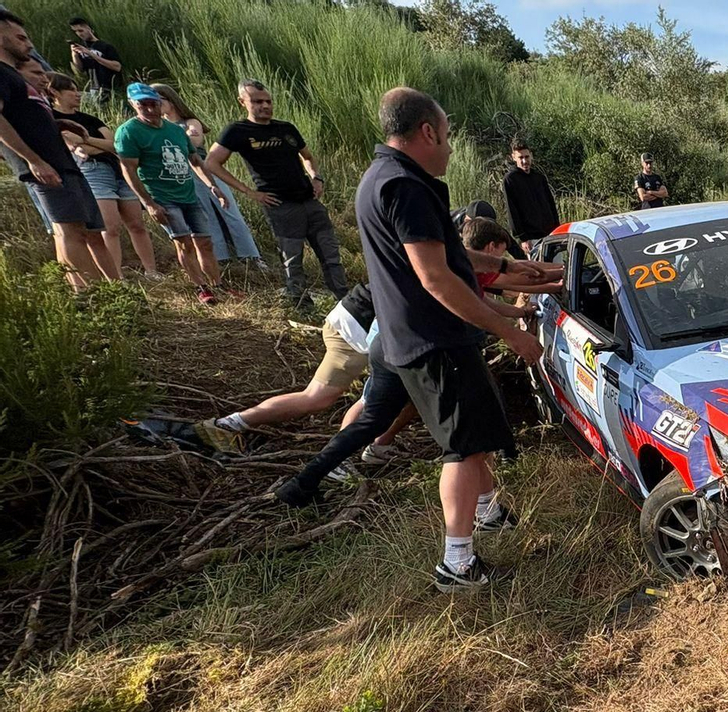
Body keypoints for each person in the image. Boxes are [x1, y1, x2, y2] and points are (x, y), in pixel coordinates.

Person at [353, 86, 560, 591]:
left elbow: (452, 256)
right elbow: (437, 278)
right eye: (446, 136)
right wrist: (508, 329)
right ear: (427, 131)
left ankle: (487, 512)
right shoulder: (406, 186)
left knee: (471, 434)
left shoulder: (383, 177)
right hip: (434, 340)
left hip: (417, 337)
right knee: (464, 450)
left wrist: (507, 265)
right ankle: (458, 564)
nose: (449, 146)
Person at [197, 282, 415, 462]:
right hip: (359, 327)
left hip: (355, 317)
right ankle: (338, 460)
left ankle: (373, 448)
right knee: (332, 398)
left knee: (399, 395)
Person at [206, 79, 349, 315]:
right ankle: (302, 306)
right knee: (293, 260)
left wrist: (316, 177)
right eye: (257, 101)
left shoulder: (286, 128)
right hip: (280, 206)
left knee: (331, 255)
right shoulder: (238, 131)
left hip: (309, 201)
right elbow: (212, 162)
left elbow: (308, 156)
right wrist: (249, 192)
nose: (265, 106)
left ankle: (345, 302)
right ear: (243, 102)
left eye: (268, 101)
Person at [0, 12, 108, 289]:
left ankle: (94, 295)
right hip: (44, 165)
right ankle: (87, 296)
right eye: (21, 38)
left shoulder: (15, 77)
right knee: (69, 230)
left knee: (78, 229)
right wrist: (34, 160)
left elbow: (22, 117)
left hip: (59, 162)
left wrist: (58, 122)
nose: (29, 44)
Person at [115, 81, 227, 304]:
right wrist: (148, 203)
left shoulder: (175, 130)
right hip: (163, 197)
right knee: (183, 242)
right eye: (142, 105)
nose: (149, 109)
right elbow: (128, 169)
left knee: (205, 241)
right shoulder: (129, 132)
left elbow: (195, 160)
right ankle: (201, 288)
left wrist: (211, 185)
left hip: (188, 193)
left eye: (153, 104)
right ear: (133, 104)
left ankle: (219, 285)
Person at [48, 71, 158, 279]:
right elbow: (78, 150)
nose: (77, 93)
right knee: (110, 227)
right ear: (55, 92)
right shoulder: (53, 119)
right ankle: (117, 277)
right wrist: (90, 146)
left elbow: (116, 145)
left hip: (118, 170)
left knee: (137, 224)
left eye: (76, 89)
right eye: (71, 90)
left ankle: (151, 271)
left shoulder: (90, 119)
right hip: (92, 172)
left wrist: (86, 139)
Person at [151, 83, 263, 272]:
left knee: (229, 211)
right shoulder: (160, 127)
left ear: (169, 100)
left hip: (203, 170)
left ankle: (252, 256)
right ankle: (221, 258)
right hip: (183, 176)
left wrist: (176, 139)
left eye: (157, 101)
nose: (154, 106)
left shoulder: (190, 122)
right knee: (206, 217)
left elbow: (195, 142)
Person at [502, 138, 558, 256]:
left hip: (551, 235)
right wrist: (522, 238)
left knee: (559, 269)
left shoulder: (539, 177)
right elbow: (512, 211)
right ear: (513, 157)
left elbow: (550, 204)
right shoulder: (510, 180)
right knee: (540, 273)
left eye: (526, 157)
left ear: (531, 156)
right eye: (520, 158)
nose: (524, 161)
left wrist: (557, 229)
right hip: (531, 238)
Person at [67, 17, 119, 105]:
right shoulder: (82, 48)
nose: (79, 34)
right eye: (75, 32)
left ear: (88, 28)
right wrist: (74, 54)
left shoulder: (105, 46)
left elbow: (117, 67)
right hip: (93, 87)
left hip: (109, 88)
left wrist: (91, 54)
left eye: (81, 30)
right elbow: (79, 70)